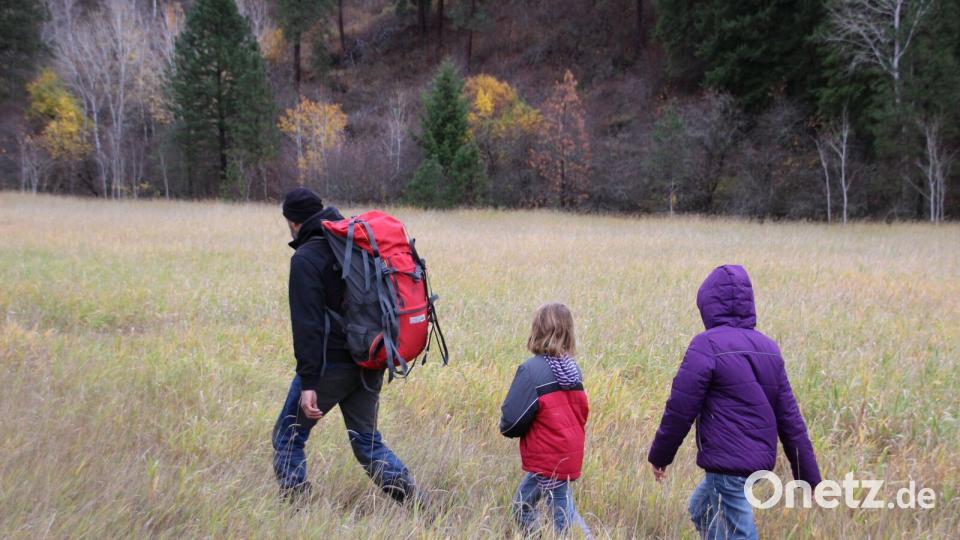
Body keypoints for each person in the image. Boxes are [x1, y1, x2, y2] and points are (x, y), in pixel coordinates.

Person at [648, 265, 821, 540]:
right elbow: (792, 422)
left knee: (741, 534)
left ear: (707, 304)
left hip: (727, 463)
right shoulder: (769, 349)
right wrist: (810, 475)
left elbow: (680, 409)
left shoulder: (706, 345)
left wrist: (660, 455)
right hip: (755, 462)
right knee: (700, 509)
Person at [271, 187, 418, 505]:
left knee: (288, 436)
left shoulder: (305, 259)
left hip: (330, 365)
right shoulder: (355, 245)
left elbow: (308, 328)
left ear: (293, 222)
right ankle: (415, 501)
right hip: (370, 356)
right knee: (367, 442)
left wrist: (310, 382)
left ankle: (297, 508)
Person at [499, 303, 592, 537]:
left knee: (566, 520)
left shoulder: (531, 370)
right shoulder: (572, 369)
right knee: (522, 507)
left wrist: (509, 428)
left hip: (549, 457)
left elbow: (511, 420)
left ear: (538, 330)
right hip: (567, 452)